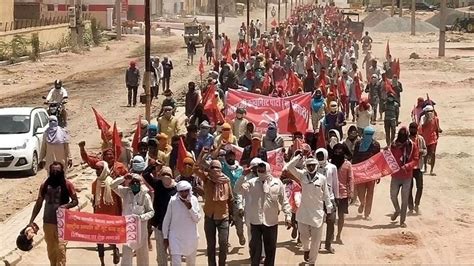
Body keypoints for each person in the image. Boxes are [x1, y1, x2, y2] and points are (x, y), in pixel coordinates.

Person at [236, 162, 291, 266]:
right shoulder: (251, 182)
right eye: (259, 171)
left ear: (268, 170)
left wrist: (288, 216)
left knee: (270, 251)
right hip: (255, 222)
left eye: (263, 171)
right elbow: (237, 190)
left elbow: (284, 200)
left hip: (271, 222)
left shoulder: (277, 183)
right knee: (255, 250)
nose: (261, 173)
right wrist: (243, 176)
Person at [28, 162, 78, 266]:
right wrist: (31, 221)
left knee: (61, 249)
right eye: (53, 170)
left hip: (62, 222)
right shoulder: (45, 185)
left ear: (62, 171)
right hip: (48, 222)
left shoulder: (67, 184)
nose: (55, 172)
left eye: (58, 170)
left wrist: (66, 206)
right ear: (50, 171)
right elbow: (39, 203)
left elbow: (75, 201)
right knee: (51, 251)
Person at [285, 155, 332, 264]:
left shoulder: (322, 179)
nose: (311, 167)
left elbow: (326, 195)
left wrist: (329, 209)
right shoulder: (302, 175)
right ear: (306, 166)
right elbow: (289, 167)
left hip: (317, 214)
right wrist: (299, 156)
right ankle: (306, 249)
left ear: (316, 165)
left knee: (316, 241)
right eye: (309, 165)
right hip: (303, 214)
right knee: (304, 238)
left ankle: (312, 262)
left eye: (313, 165)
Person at [194, 158, 233, 266]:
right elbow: (195, 168)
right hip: (209, 216)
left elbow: (230, 198)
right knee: (211, 245)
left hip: (223, 216)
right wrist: (202, 153)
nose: (215, 170)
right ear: (209, 169)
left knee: (223, 243)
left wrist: (232, 214)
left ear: (221, 169)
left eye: (217, 168)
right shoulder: (206, 179)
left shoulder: (226, 181)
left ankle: (222, 263)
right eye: (213, 168)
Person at [110, 173, 155, 266]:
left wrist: (141, 218)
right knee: (126, 254)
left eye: (137, 183)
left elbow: (151, 212)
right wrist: (123, 178)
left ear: (140, 184)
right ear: (130, 184)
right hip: (128, 229)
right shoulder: (125, 192)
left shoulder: (145, 196)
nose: (135, 185)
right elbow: (112, 185)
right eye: (133, 183)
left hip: (141, 230)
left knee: (143, 256)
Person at [142, 164, 177, 266]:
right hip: (159, 225)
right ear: (160, 175)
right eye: (163, 174)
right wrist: (153, 165)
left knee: (174, 253)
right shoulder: (158, 184)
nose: (166, 176)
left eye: (168, 174)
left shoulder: (177, 188)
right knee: (161, 254)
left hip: (173, 226)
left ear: (172, 176)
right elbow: (145, 174)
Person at [162, 180, 202, 266]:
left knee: (191, 262)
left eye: (186, 191)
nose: (184, 193)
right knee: (176, 262)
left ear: (189, 190)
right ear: (178, 191)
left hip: (191, 237)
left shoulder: (194, 200)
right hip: (175, 237)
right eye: (181, 191)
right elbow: (167, 219)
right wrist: (165, 237)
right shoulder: (173, 201)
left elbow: (197, 219)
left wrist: (190, 208)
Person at [91, 161, 121, 266]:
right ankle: (102, 262)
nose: (97, 171)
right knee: (100, 241)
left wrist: (120, 215)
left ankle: (114, 249)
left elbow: (118, 199)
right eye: (96, 169)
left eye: (99, 169)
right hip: (99, 216)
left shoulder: (112, 182)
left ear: (104, 169)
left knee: (111, 237)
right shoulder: (95, 184)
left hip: (111, 215)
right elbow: (94, 201)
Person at [389, 127, 419, 228]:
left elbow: (416, 159)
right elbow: (388, 157)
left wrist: (408, 166)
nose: (402, 136)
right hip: (395, 175)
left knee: (405, 199)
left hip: (407, 175)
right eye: (400, 134)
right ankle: (397, 210)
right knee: (393, 195)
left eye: (404, 134)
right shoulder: (393, 145)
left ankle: (402, 221)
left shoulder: (412, 145)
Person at [352, 127, 380, 220]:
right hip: (360, 172)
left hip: (371, 173)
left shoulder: (376, 145)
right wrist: (354, 171)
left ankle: (367, 213)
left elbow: (378, 160)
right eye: (366, 134)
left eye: (370, 134)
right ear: (363, 134)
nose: (368, 136)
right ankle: (362, 203)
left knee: (370, 193)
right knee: (361, 192)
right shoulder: (358, 144)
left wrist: (378, 174)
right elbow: (354, 158)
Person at [315, 148, 338, 253]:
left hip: (330, 198)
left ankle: (328, 244)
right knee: (318, 223)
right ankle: (317, 244)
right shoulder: (313, 167)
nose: (320, 158)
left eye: (321, 155)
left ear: (325, 155)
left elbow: (335, 183)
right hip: (318, 199)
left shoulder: (332, 167)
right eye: (318, 156)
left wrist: (336, 197)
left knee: (331, 221)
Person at [221, 149, 246, 246]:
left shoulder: (240, 169)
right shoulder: (222, 167)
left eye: (232, 156)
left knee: (239, 221)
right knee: (224, 221)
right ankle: (225, 241)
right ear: (226, 157)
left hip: (237, 199)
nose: (230, 158)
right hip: (224, 199)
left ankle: (240, 235)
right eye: (228, 156)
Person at [331, 144, 353, 244]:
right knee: (330, 217)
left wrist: (351, 192)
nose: (338, 153)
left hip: (343, 194)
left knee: (341, 216)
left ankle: (338, 235)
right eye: (336, 151)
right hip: (331, 195)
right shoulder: (330, 165)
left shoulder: (348, 164)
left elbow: (351, 179)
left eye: (340, 151)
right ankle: (330, 235)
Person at [408, 122, 427, 214]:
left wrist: (420, 151)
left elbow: (425, 150)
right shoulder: (406, 140)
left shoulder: (420, 139)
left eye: (414, 128)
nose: (412, 130)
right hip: (409, 167)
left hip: (419, 166)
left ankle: (417, 205)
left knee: (420, 187)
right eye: (411, 128)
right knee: (409, 188)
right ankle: (410, 207)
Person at [419, 105, 441, 176]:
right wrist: (427, 121)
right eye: (428, 112)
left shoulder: (436, 119)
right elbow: (421, 127)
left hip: (433, 139)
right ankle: (425, 167)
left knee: (433, 153)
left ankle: (432, 170)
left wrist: (437, 135)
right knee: (425, 154)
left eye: (431, 111)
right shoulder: (423, 118)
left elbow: (437, 128)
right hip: (425, 139)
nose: (430, 113)